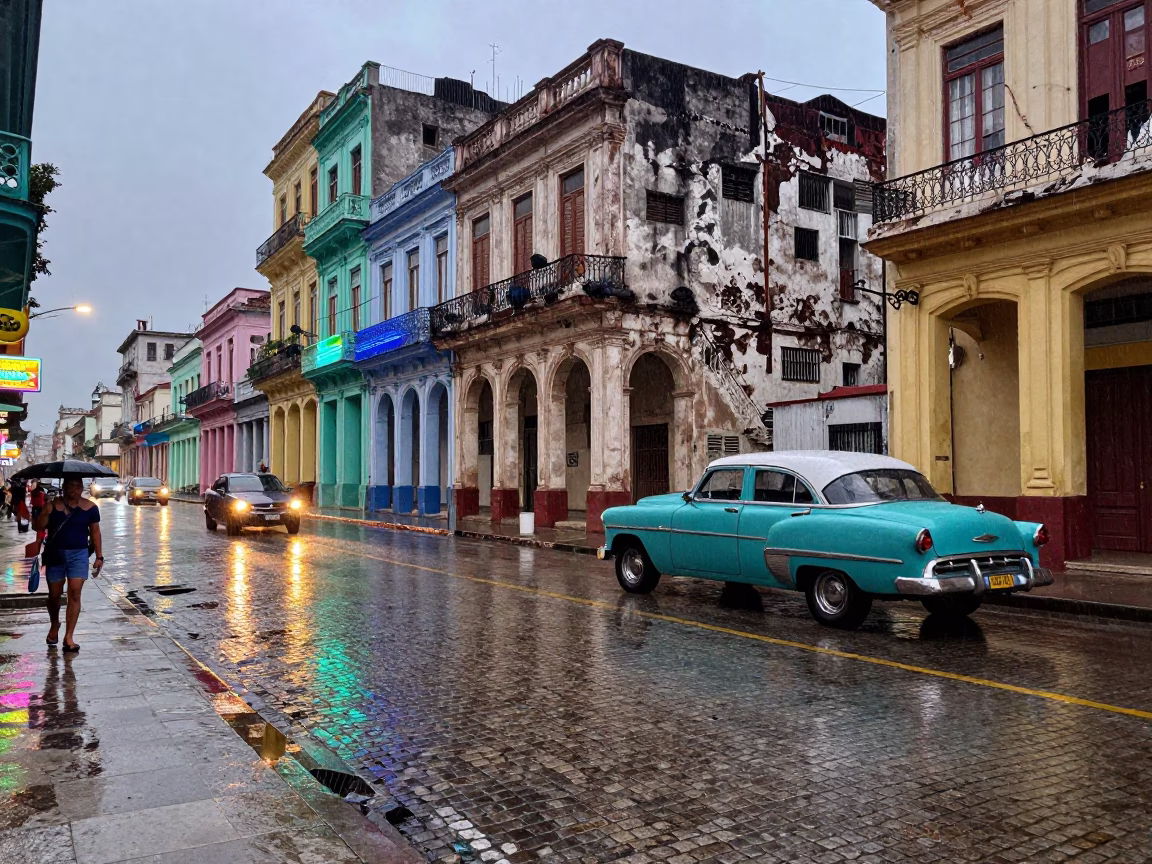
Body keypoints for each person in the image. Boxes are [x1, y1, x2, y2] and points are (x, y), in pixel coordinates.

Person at [33, 476, 103, 652]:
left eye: (78, 486)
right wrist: (46, 511)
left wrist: (99, 556)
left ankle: (69, 636)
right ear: (63, 487)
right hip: (55, 555)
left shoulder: (90, 508)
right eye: (71, 486)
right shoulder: (52, 505)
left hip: (78, 555)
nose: (75, 490)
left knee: (74, 594)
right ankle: (55, 623)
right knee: (55, 596)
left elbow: (95, 533)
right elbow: (38, 527)